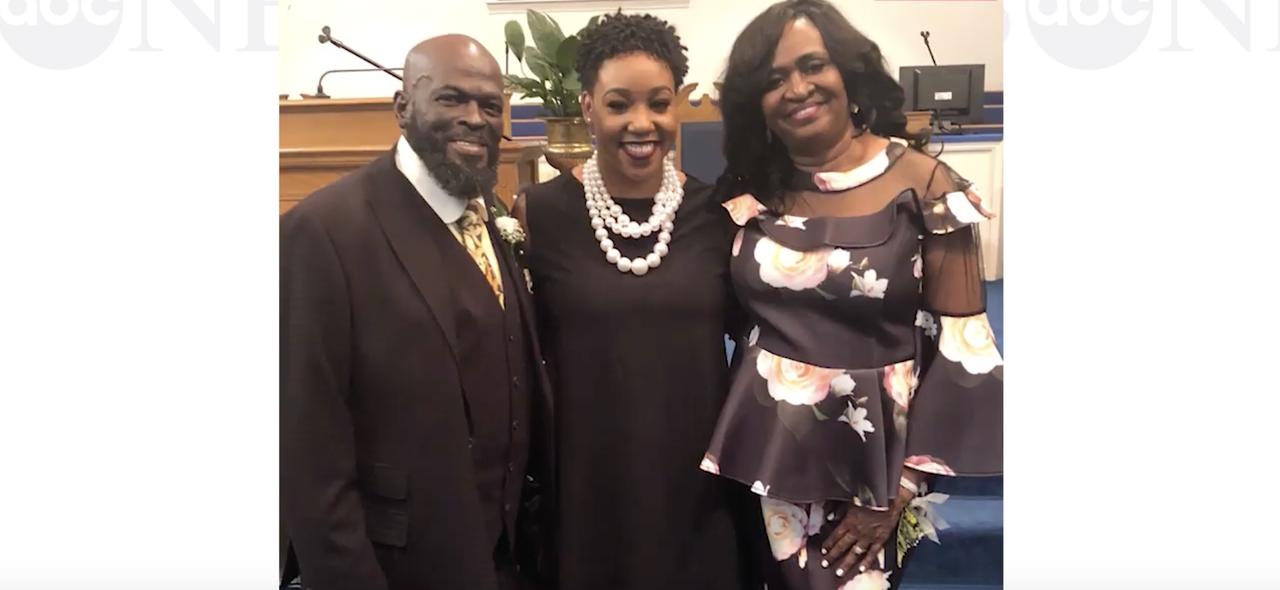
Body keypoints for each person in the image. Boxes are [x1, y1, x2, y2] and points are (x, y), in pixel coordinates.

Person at [700, 1, 1004, 589]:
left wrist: (903, 485)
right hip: (762, 456)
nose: (796, 88)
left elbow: (967, 346)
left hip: (877, 461)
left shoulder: (925, 185)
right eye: (772, 80)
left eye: (813, 65)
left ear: (849, 73)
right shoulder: (754, 190)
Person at [279, 34, 554, 590]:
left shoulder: (492, 218)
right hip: (397, 567)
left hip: (511, 562)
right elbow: (308, 454)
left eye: (490, 106)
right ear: (402, 108)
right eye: (451, 99)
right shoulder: (325, 231)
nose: (475, 119)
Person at [510, 12, 754, 590]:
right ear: (588, 106)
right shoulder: (537, 215)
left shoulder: (718, 214)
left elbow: (760, 344)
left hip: (697, 479)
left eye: (659, 103)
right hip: (586, 476)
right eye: (619, 104)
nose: (641, 123)